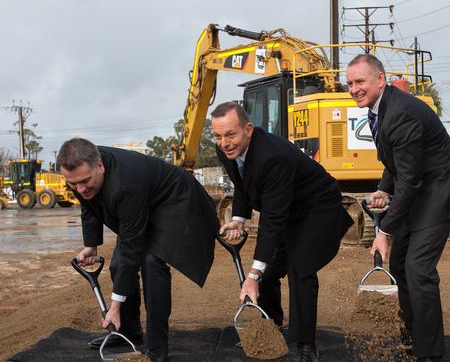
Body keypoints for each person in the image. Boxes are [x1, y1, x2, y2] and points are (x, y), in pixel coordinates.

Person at [346, 54, 450, 362]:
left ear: (380, 79)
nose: (354, 89)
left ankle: (429, 354)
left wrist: (383, 232)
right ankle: (411, 340)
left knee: (419, 270)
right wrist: (382, 188)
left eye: (360, 81)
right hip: (418, 188)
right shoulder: (380, 108)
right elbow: (395, 161)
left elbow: (409, 180)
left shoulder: (401, 113)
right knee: (401, 267)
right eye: (350, 83)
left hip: (439, 192)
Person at [211, 101, 353, 362]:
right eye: (218, 136)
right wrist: (239, 218)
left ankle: (305, 344)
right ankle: (271, 329)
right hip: (286, 209)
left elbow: (273, 220)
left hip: (316, 208)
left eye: (230, 134)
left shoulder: (273, 156)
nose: (224, 142)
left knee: (301, 268)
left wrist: (252, 273)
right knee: (269, 271)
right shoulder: (225, 150)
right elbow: (242, 185)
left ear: (248, 129)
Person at [57, 138, 218, 362]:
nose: (80, 188)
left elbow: (132, 247)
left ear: (100, 166)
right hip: (142, 201)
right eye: (73, 184)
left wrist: (115, 306)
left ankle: (156, 347)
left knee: (151, 263)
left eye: (85, 181)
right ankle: (128, 332)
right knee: (117, 265)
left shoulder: (125, 183)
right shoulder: (80, 173)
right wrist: (90, 245)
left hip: (174, 199)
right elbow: (88, 204)